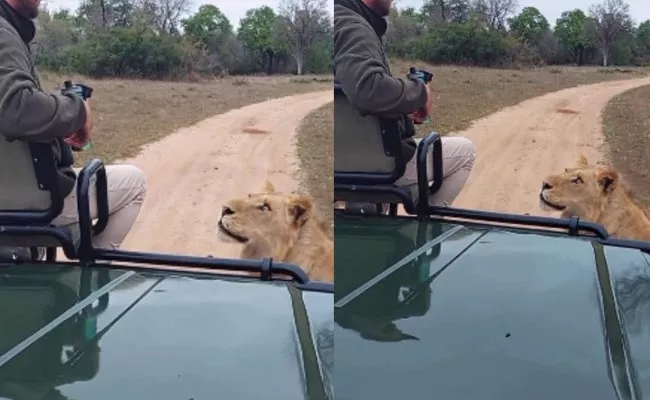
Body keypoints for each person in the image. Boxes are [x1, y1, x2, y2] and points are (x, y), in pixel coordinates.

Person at [0, 0, 147, 250]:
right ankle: (93, 276)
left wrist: (58, 134)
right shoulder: (3, 33)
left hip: (13, 189)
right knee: (134, 183)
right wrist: (79, 109)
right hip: (27, 203)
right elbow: (17, 108)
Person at [334, 0, 476, 207]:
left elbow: (352, 96)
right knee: (465, 152)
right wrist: (420, 92)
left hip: (343, 159)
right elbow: (368, 89)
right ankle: (426, 229)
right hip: (375, 166)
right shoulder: (354, 27)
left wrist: (401, 108)